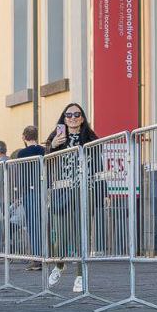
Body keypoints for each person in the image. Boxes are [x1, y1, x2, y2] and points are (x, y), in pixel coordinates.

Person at [45, 103, 98, 293]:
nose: (73, 118)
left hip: (85, 190)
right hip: (62, 190)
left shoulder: (91, 138)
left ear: (82, 118)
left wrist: (104, 192)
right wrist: (52, 147)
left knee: (81, 234)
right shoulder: (56, 138)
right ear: (64, 118)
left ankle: (80, 275)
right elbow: (46, 164)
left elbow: (98, 167)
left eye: (77, 114)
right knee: (60, 235)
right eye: (69, 115)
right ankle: (59, 265)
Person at [13, 125, 47, 269]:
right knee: (44, 223)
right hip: (44, 190)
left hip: (30, 191)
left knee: (33, 225)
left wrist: (18, 193)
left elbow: (22, 175)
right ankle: (46, 256)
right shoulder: (44, 150)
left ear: (24, 137)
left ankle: (37, 258)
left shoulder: (22, 153)